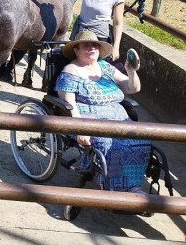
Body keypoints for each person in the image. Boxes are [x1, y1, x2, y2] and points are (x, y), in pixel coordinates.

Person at [55, 31, 148, 193]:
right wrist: (80, 130)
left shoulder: (104, 67)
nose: (91, 48)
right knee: (110, 145)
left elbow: (132, 88)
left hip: (119, 117)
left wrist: (131, 71)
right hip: (89, 122)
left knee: (141, 142)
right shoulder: (70, 72)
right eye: (86, 45)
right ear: (76, 50)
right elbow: (69, 106)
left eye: (95, 45)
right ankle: (111, 188)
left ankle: (132, 186)